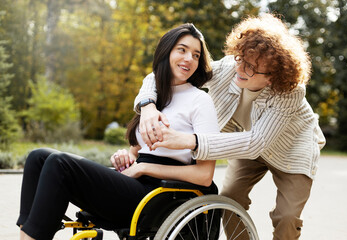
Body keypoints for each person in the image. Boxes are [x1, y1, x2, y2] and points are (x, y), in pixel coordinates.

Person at [16, 23, 219, 240]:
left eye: (196, 55)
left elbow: (205, 176)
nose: (189, 58)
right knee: (37, 157)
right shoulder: (152, 96)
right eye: (182, 49)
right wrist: (128, 156)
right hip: (134, 183)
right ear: (166, 51)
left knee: (60, 164)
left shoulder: (200, 101)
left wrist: (144, 167)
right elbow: (136, 151)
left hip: (160, 196)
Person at [133, 14, 326, 240]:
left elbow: (257, 142)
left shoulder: (290, 92)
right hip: (244, 144)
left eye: (251, 68)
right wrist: (147, 106)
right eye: (241, 59)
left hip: (291, 151)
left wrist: (190, 140)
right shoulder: (228, 68)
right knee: (229, 199)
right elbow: (161, 75)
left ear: (271, 78)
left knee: (287, 216)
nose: (241, 69)